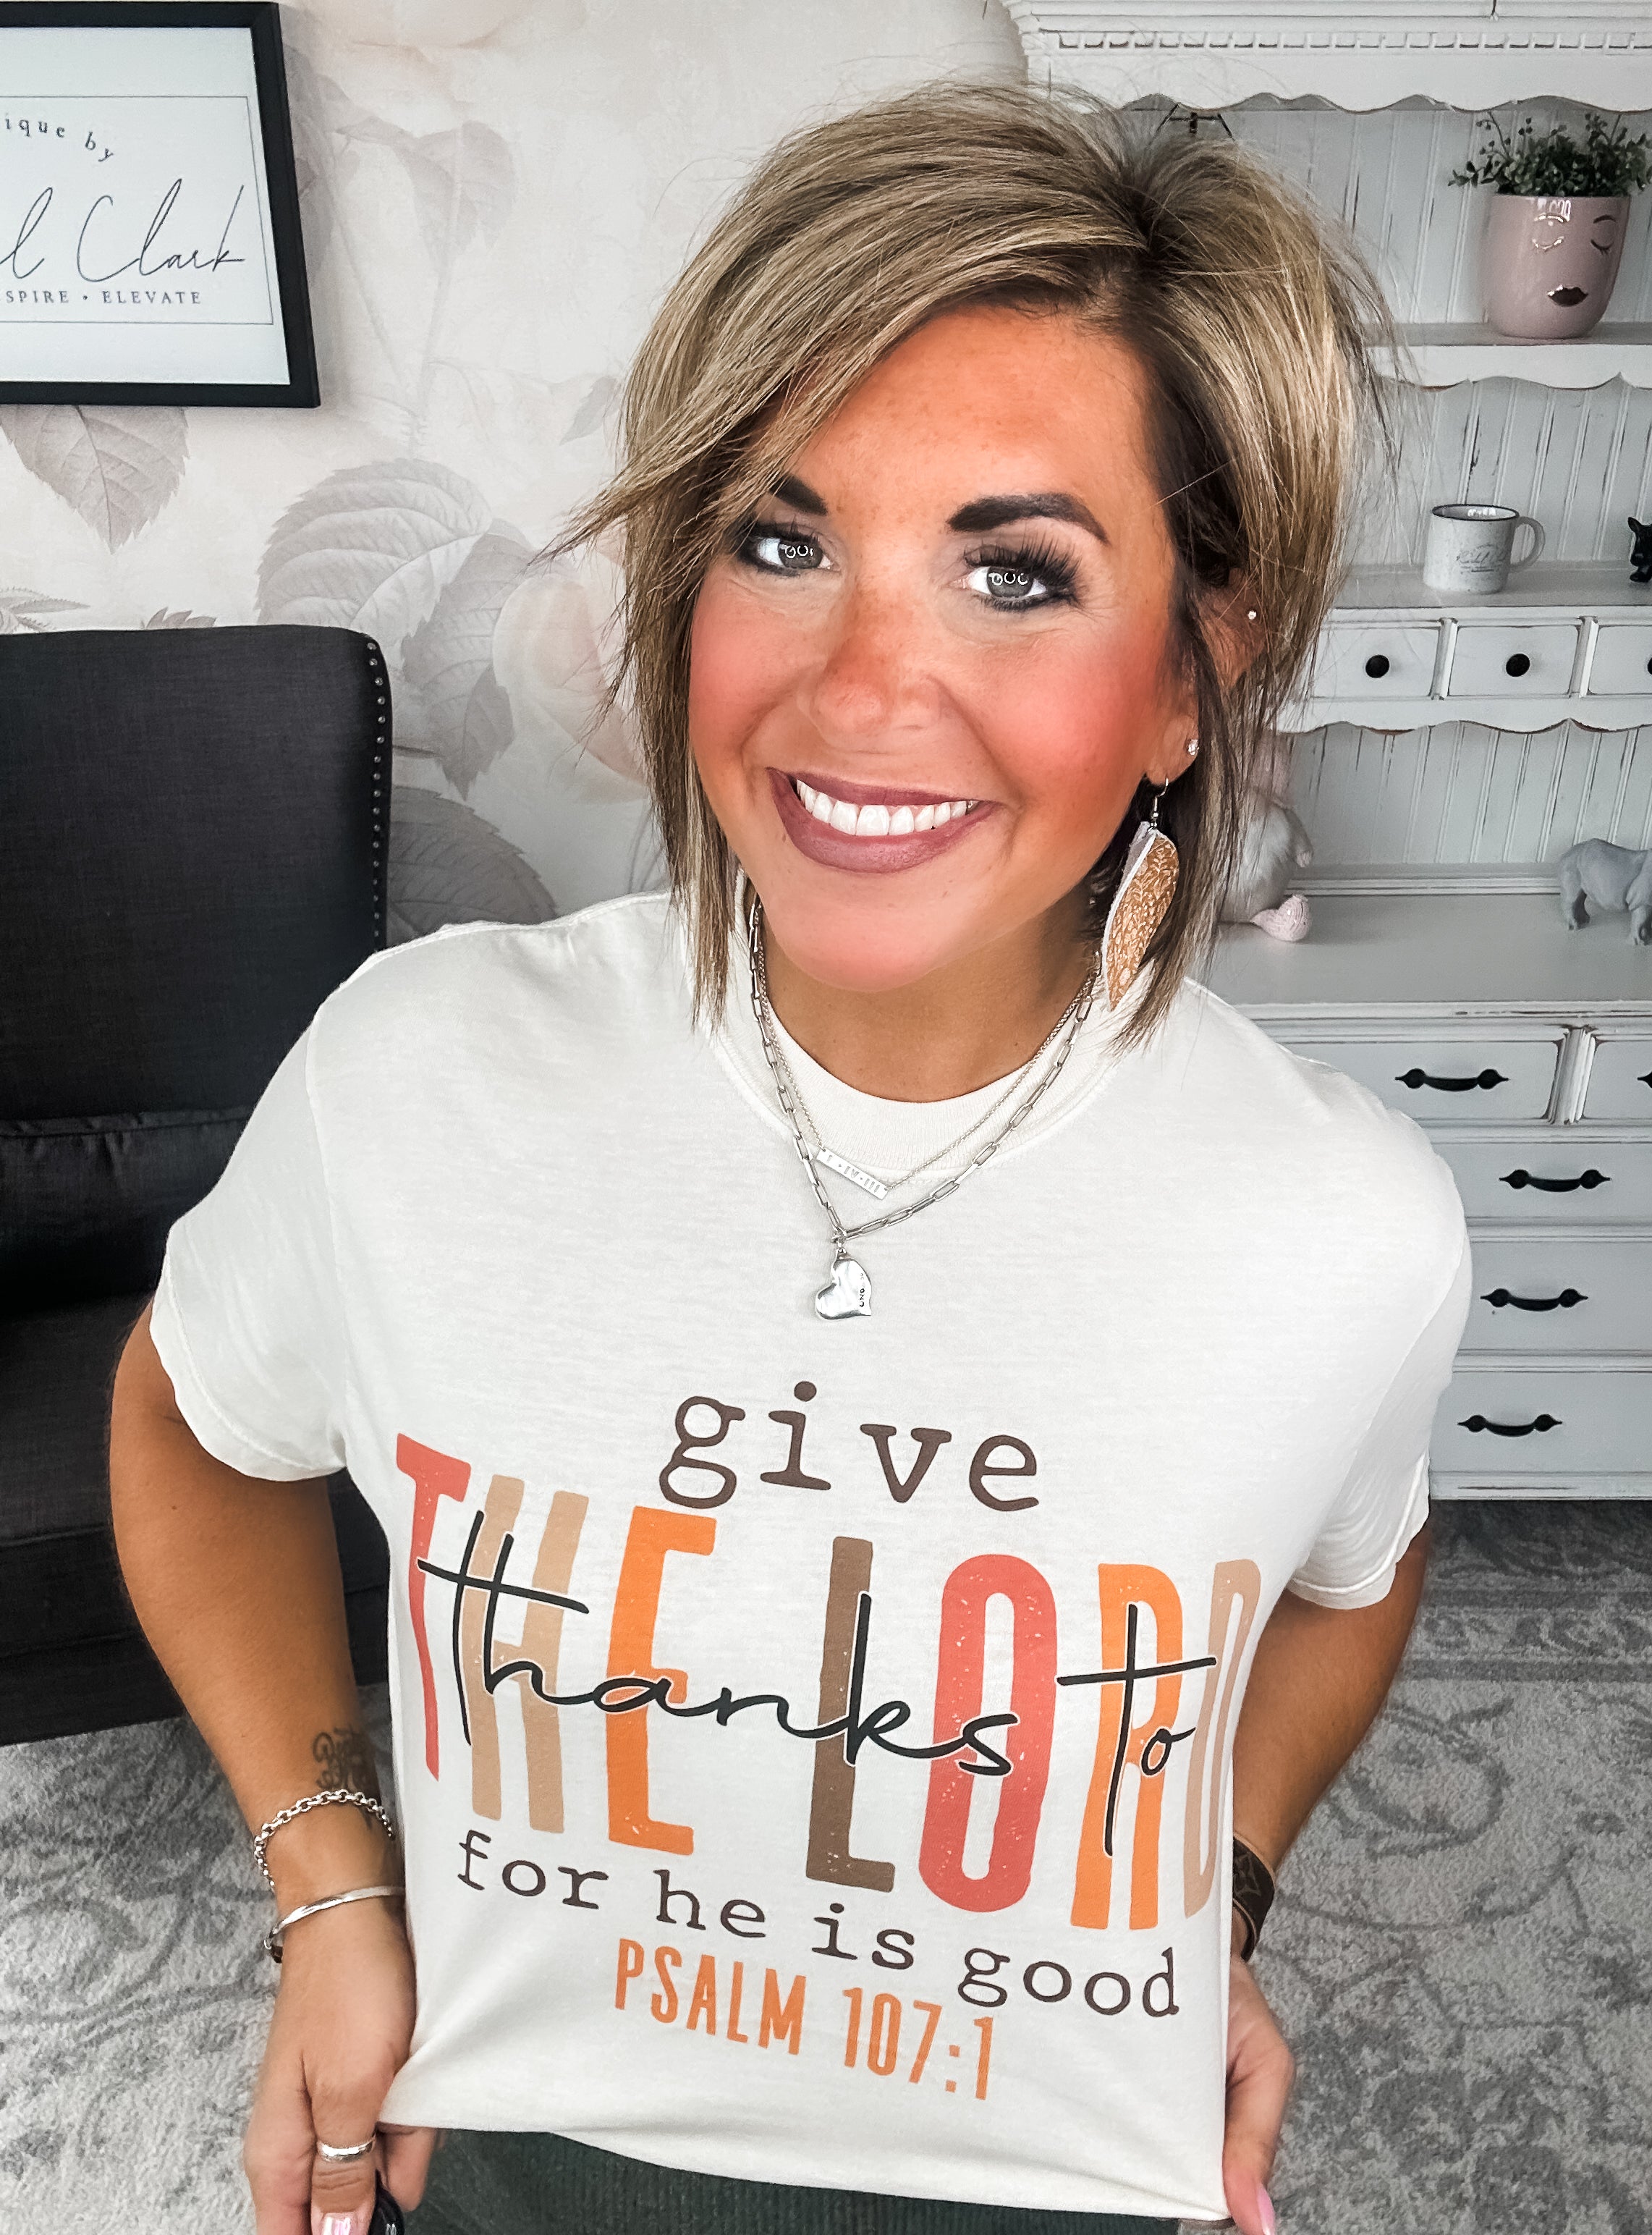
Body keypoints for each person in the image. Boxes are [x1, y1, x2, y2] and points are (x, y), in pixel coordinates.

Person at [110, 82, 1470, 2235]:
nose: (862, 684)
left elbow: (1349, 1566)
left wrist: (1209, 1886)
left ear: (1190, 679)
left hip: (1061, 2179)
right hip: (511, 2155)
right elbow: (189, 1413)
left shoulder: (1338, 1223)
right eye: (780, 537)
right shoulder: (420, 1080)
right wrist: (325, 1880)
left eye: (1015, 573)